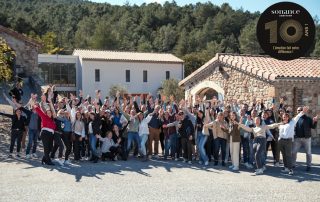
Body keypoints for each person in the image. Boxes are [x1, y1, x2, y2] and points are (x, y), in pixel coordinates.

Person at [292, 107, 318, 171]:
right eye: (298, 110)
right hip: (297, 138)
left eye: (300, 110)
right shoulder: (295, 119)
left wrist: (315, 121)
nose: (299, 111)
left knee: (308, 153)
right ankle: (293, 164)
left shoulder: (308, 118)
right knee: (293, 152)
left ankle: (309, 166)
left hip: (306, 138)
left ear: (304, 111)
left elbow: (313, 127)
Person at [32, 99, 56, 166]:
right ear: (46, 113)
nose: (49, 114)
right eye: (47, 113)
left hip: (51, 135)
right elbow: (38, 110)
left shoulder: (53, 121)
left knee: (50, 147)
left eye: (50, 113)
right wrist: (34, 103)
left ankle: (44, 158)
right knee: (46, 147)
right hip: (45, 133)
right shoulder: (44, 117)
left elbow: (54, 128)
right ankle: (48, 161)